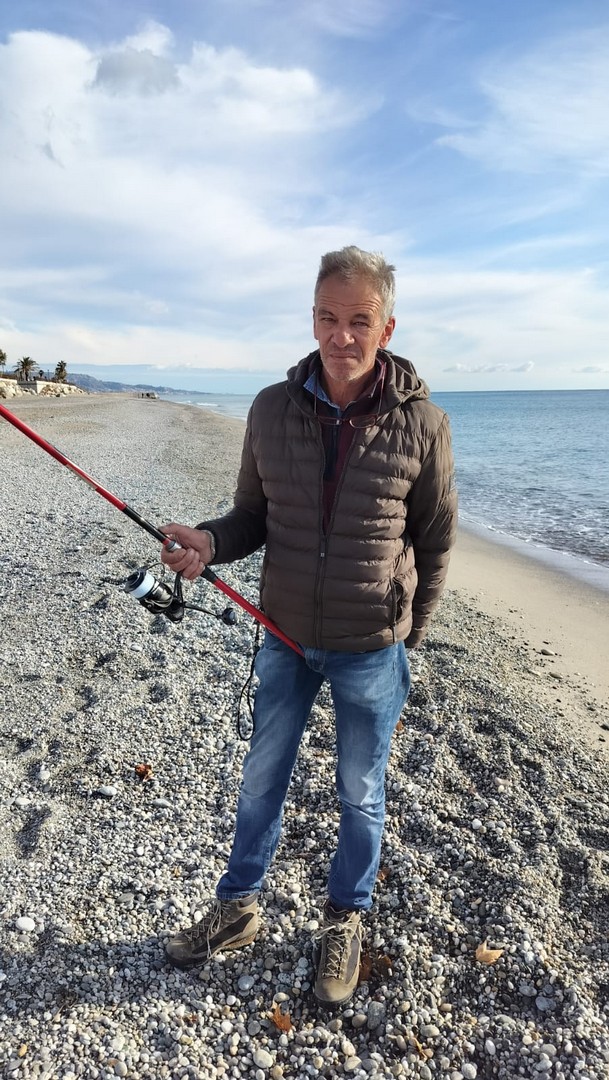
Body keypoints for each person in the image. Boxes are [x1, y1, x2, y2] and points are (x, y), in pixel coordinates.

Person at [160, 245, 457, 1005]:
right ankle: (237, 907)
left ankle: (345, 918)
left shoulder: (424, 424)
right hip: (285, 634)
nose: (341, 336)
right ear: (313, 318)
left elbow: (434, 541)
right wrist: (208, 542)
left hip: (371, 647)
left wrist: (410, 636)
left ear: (386, 328)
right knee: (262, 778)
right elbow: (251, 517)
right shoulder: (270, 408)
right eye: (328, 317)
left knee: (360, 790)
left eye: (359, 320)